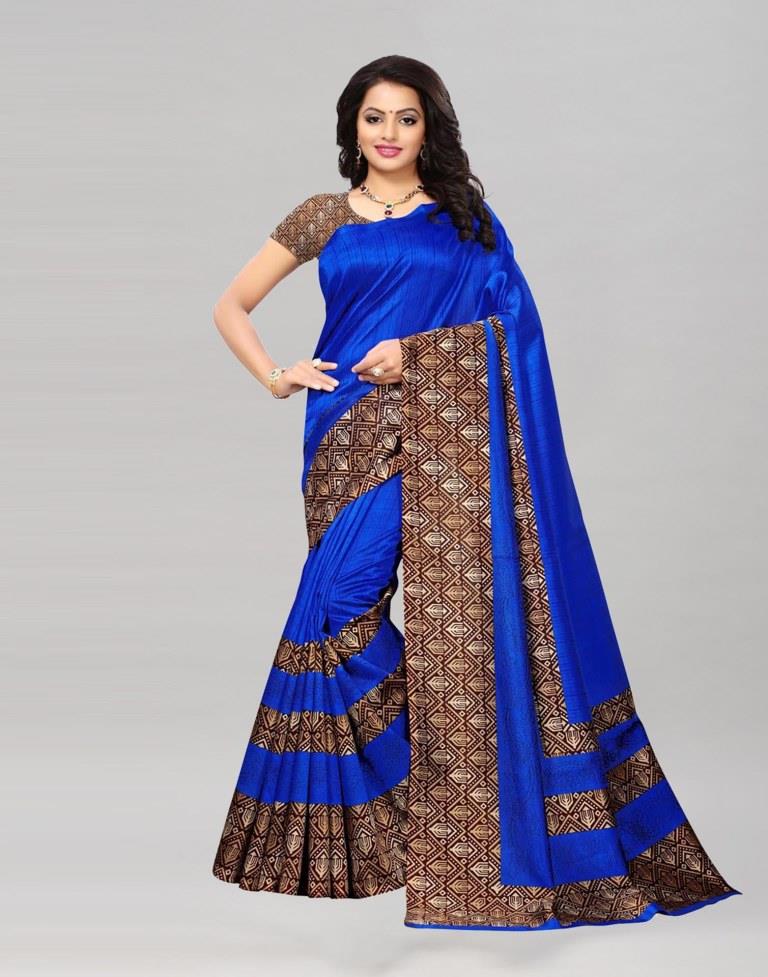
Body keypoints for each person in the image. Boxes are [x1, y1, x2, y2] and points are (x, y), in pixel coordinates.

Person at [210, 55, 741, 931]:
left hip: (441, 436)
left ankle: (476, 785)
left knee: (340, 611)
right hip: (342, 437)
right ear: (351, 128)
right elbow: (231, 304)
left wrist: (418, 357)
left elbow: (513, 328)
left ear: (430, 128)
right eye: (373, 118)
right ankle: (459, 781)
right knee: (332, 615)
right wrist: (277, 374)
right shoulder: (319, 216)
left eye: (406, 118)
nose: (388, 133)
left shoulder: (465, 219)